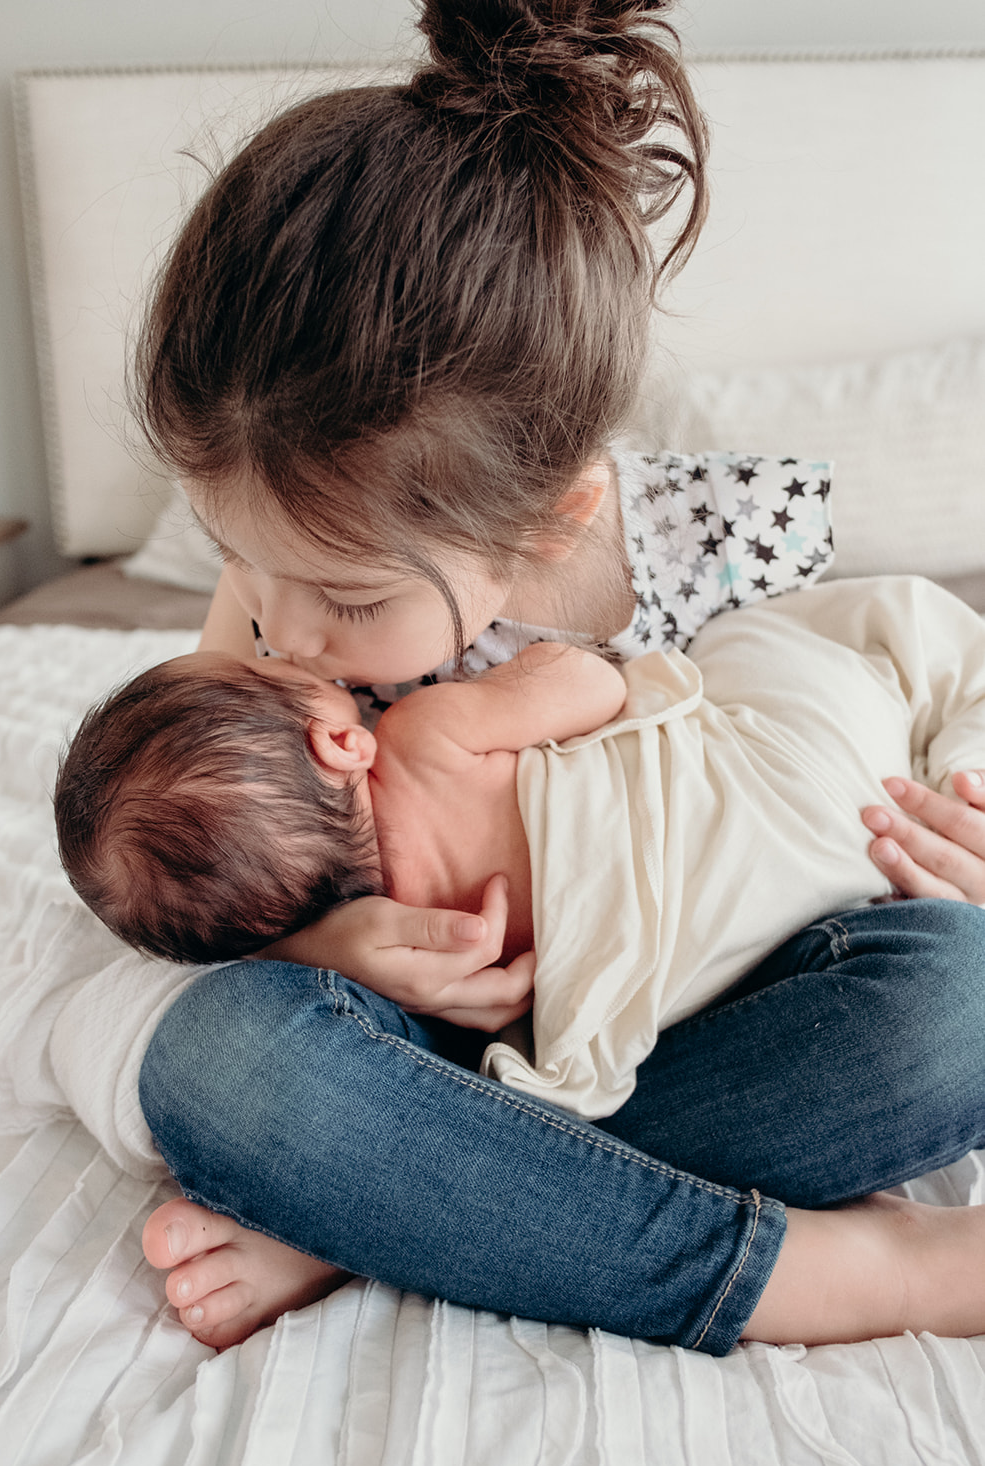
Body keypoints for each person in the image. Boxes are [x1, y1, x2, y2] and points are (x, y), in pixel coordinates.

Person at [124, 0, 985, 1354]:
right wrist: (323, 939)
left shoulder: (730, 557)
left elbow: (851, 752)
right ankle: (837, 1275)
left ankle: (385, 1206)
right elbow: (201, 860)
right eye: (237, 556)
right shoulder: (273, 620)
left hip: (696, 1022)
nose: (279, 636)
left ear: (549, 524)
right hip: (426, 1049)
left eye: (344, 595)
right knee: (221, 1062)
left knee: (960, 1000)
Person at [57, 577, 985, 1122]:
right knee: (827, 631)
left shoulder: (412, 961)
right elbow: (589, 684)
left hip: (738, 951)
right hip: (803, 788)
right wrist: (521, 683)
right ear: (340, 743)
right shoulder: (421, 738)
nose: (293, 650)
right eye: (268, 669)